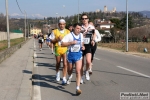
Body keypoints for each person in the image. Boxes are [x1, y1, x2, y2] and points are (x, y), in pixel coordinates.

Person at [61, 23, 85, 95]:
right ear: (73, 28)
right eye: (77, 28)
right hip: (70, 55)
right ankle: (70, 75)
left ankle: (77, 88)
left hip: (78, 55)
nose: (79, 30)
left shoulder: (81, 35)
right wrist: (71, 42)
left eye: (80, 29)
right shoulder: (69, 36)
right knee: (70, 70)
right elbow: (62, 44)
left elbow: (82, 42)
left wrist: (83, 46)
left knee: (78, 70)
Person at [49, 19, 70, 85]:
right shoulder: (55, 31)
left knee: (65, 63)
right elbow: (51, 41)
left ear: (65, 24)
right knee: (58, 63)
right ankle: (57, 73)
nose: (62, 25)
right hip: (57, 48)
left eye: (63, 24)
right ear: (58, 25)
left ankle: (64, 78)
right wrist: (57, 39)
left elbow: (70, 40)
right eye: (60, 24)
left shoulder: (68, 32)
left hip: (65, 49)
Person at [80, 13, 96, 83]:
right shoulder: (80, 27)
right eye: (83, 19)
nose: (84, 20)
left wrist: (93, 40)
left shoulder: (91, 27)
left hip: (88, 45)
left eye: (85, 18)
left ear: (88, 19)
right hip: (81, 46)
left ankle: (86, 71)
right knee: (81, 63)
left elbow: (94, 33)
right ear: (81, 20)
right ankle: (81, 77)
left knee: (88, 61)